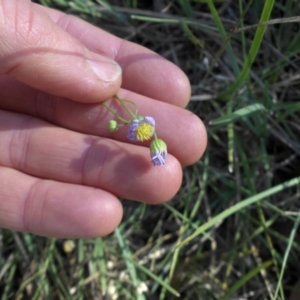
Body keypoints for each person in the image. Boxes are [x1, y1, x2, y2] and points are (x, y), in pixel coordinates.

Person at [0, 0, 207, 238]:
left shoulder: (140, 127)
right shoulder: (140, 126)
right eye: (148, 138)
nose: (148, 139)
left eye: (150, 142)